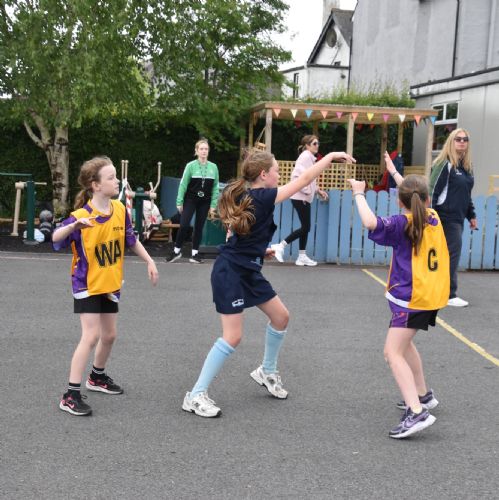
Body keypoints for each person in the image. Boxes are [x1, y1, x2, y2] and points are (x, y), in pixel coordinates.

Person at [182, 148, 355, 418]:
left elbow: (242, 236)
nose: (279, 174)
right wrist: (330, 157)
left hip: (248, 267)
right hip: (230, 271)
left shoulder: (249, 196)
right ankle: (195, 395)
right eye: (276, 170)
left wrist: (260, 251)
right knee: (233, 336)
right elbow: (303, 179)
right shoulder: (262, 196)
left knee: (281, 317)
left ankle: (267, 370)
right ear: (264, 175)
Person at [348, 152, 450, 439]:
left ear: (398, 201)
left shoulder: (402, 224)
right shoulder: (432, 217)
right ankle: (423, 395)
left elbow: (370, 222)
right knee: (405, 346)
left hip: (410, 299)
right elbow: (413, 192)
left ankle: (416, 412)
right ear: (426, 200)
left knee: (392, 353)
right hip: (428, 296)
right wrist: (394, 173)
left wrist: (358, 193)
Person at [53, 156, 159, 416]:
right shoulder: (82, 216)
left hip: (110, 283)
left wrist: (149, 261)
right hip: (87, 284)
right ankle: (70, 394)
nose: (117, 181)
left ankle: (97, 377)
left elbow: (131, 239)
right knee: (91, 336)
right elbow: (55, 237)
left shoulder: (120, 209)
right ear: (96, 185)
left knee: (109, 335)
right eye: (111, 177)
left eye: (116, 176)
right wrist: (73, 226)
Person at [429, 128, 476, 307]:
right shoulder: (444, 164)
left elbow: (466, 194)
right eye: (458, 139)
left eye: (465, 139)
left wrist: (471, 215)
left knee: (447, 256)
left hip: (458, 218)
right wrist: (430, 217)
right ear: (451, 141)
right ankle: (449, 294)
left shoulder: (467, 167)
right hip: (444, 217)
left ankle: (440, 292)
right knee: (451, 256)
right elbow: (432, 191)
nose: (462, 142)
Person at [271, 135, 329, 266]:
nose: (317, 145)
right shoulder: (305, 157)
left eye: (318, 143)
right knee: (306, 227)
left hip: (302, 198)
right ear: (307, 145)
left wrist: (317, 190)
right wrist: (307, 190)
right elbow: (296, 176)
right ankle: (280, 246)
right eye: (314, 143)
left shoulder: (309, 157)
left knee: (305, 227)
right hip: (300, 197)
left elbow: (309, 178)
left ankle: (302, 256)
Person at [166, 138, 220, 264]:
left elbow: (215, 187)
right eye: (201, 149)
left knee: (199, 227)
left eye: (206, 149)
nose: (204, 151)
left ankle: (195, 254)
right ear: (196, 151)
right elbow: (183, 184)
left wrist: (213, 205)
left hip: (205, 201)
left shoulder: (213, 167)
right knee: (184, 224)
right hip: (190, 199)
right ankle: (176, 251)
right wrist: (179, 202)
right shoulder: (190, 166)